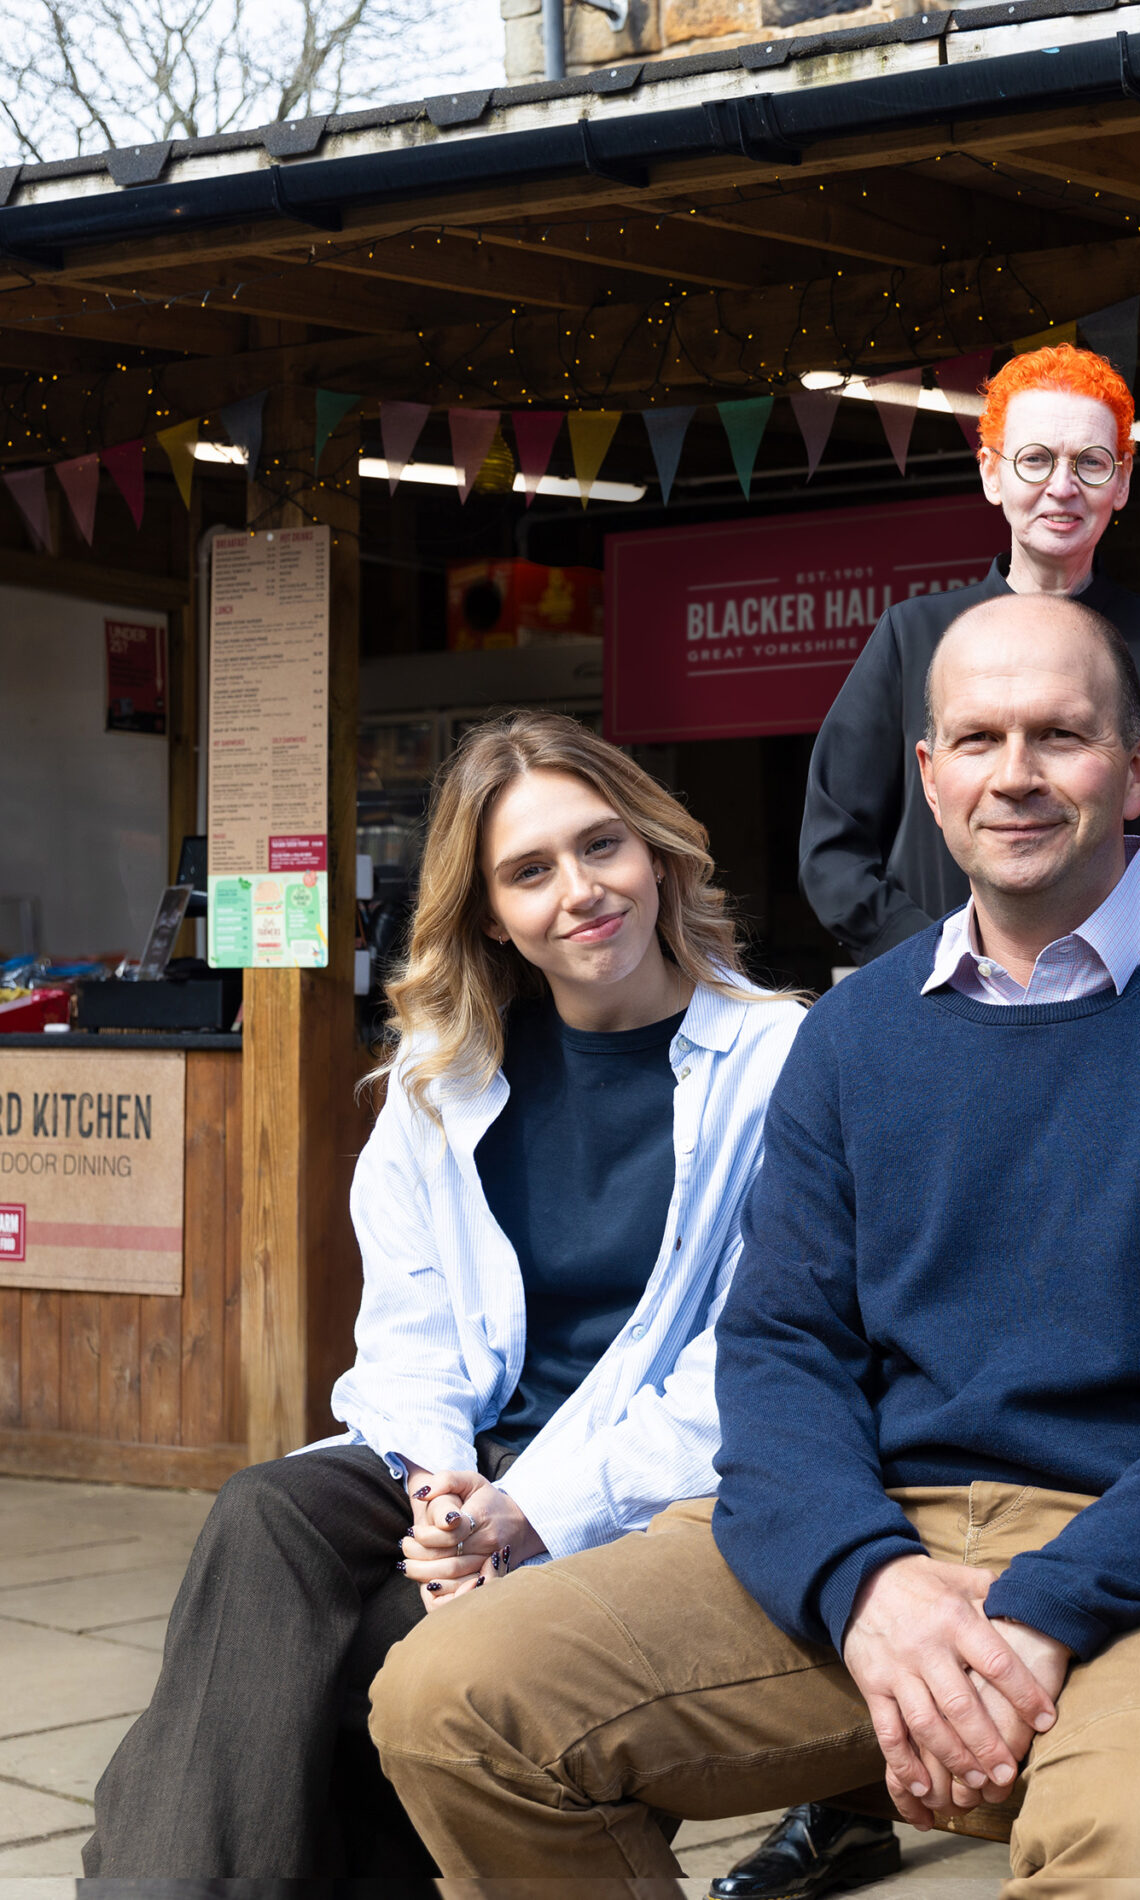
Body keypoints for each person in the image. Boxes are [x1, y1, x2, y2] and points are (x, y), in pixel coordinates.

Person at [370, 592, 1140, 1897]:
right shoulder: (852, 1035)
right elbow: (781, 1352)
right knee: (452, 1697)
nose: (1015, 774)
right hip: (880, 1525)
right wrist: (869, 1583)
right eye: (980, 740)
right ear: (930, 779)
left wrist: (1044, 1605)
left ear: (1138, 770)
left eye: (1060, 736)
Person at [83, 712, 804, 1878]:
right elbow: (408, 1334)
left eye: (601, 845)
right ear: (490, 915)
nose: (580, 890)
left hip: (632, 1488)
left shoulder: (781, 1064)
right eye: (530, 871)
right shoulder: (443, 1077)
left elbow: (749, 1364)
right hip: (455, 1461)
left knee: (354, 1664)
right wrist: (441, 1496)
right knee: (267, 1512)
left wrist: (526, 1513)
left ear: (657, 852)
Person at [803, 343, 1140, 964]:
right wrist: (932, 958)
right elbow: (833, 847)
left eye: (1090, 463)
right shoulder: (911, 637)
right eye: (1035, 460)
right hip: (939, 993)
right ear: (991, 474)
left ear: (1123, 481)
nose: (1062, 487)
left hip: (1134, 993)